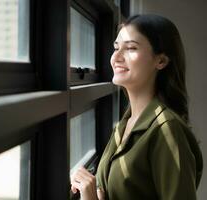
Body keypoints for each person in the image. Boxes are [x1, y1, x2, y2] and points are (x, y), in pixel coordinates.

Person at [70, 14, 203, 200]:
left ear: (161, 61)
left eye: (131, 48)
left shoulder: (167, 130)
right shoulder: (126, 123)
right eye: (116, 48)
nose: (116, 57)